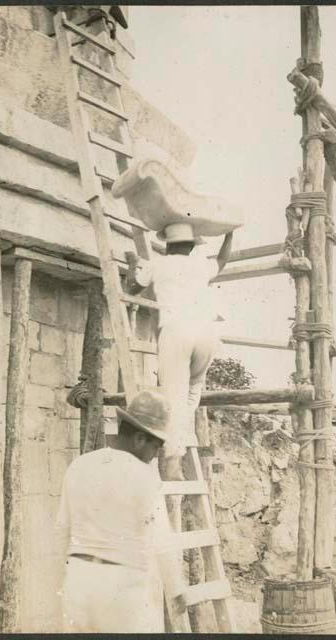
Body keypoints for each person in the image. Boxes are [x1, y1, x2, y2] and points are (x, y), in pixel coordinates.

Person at [55, 389, 187, 633]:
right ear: (139, 438)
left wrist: (65, 581)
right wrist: (177, 591)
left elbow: (62, 530)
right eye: (156, 446)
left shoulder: (79, 465)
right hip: (122, 593)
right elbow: (162, 543)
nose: (155, 454)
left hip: (77, 584)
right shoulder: (145, 476)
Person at [126, 222, 233, 480]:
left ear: (167, 244)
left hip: (177, 332)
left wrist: (131, 264)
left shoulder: (157, 264)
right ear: (191, 245)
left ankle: (173, 462)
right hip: (207, 334)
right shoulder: (200, 265)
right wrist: (229, 232)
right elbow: (222, 259)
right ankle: (179, 449)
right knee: (192, 393)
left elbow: (130, 288)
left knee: (174, 397)